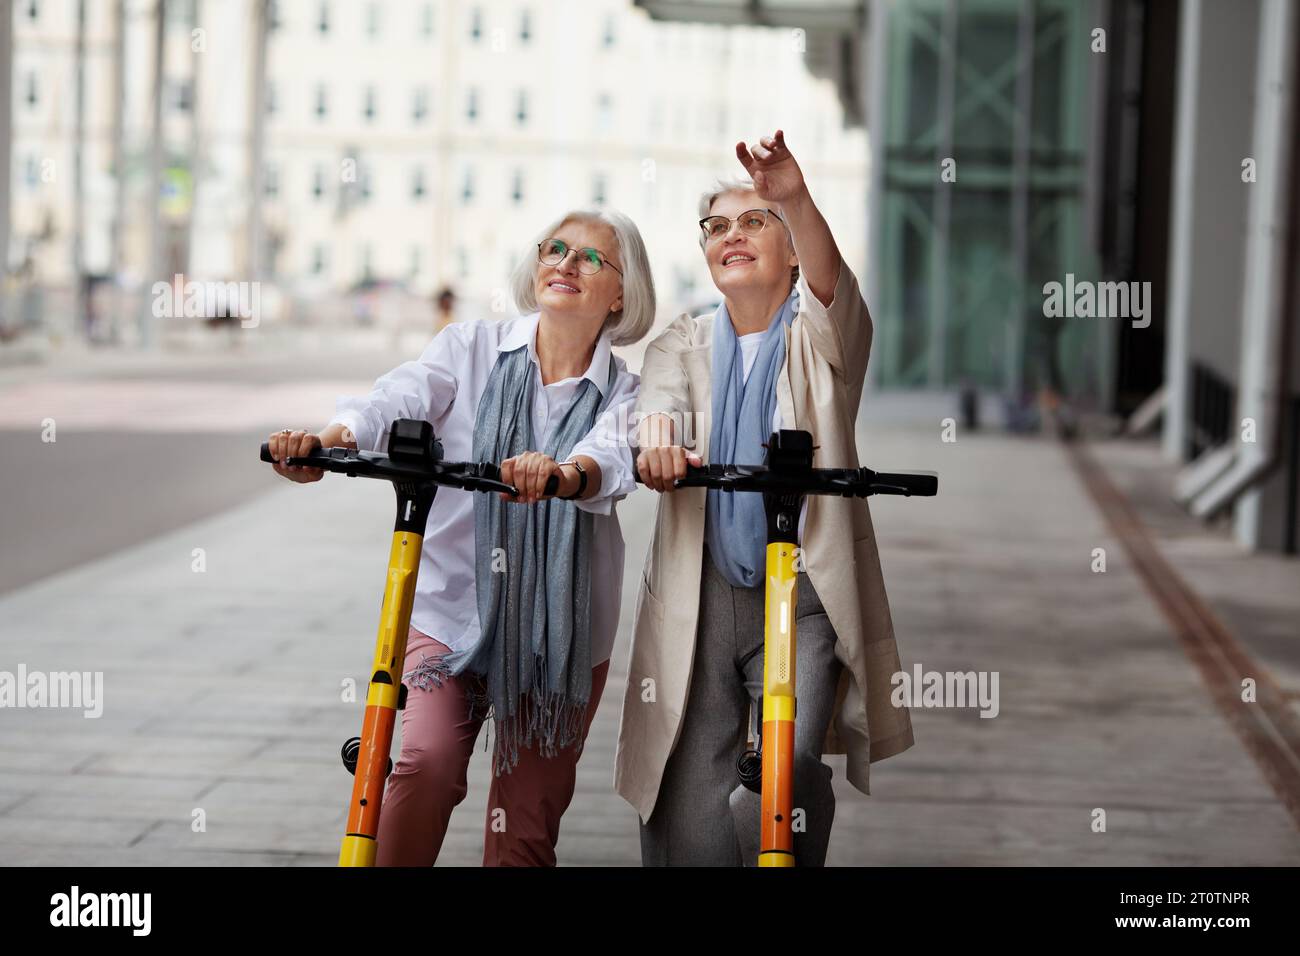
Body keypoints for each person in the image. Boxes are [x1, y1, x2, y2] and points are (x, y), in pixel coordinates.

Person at [268, 208, 652, 866]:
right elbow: (399, 398)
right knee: (423, 762)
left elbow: (610, 459)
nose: (565, 263)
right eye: (554, 249)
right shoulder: (471, 348)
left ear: (621, 293)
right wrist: (327, 444)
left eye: (590, 258)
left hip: (557, 642)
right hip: (449, 615)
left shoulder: (630, 394)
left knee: (524, 829)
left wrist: (561, 474)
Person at [618, 130, 914, 866]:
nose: (732, 236)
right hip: (703, 593)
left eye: (754, 221)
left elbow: (833, 284)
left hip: (806, 591)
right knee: (682, 801)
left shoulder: (823, 339)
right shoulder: (681, 343)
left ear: (790, 250)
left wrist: (796, 197)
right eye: (717, 226)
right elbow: (657, 404)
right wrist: (657, 439)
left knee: (783, 780)